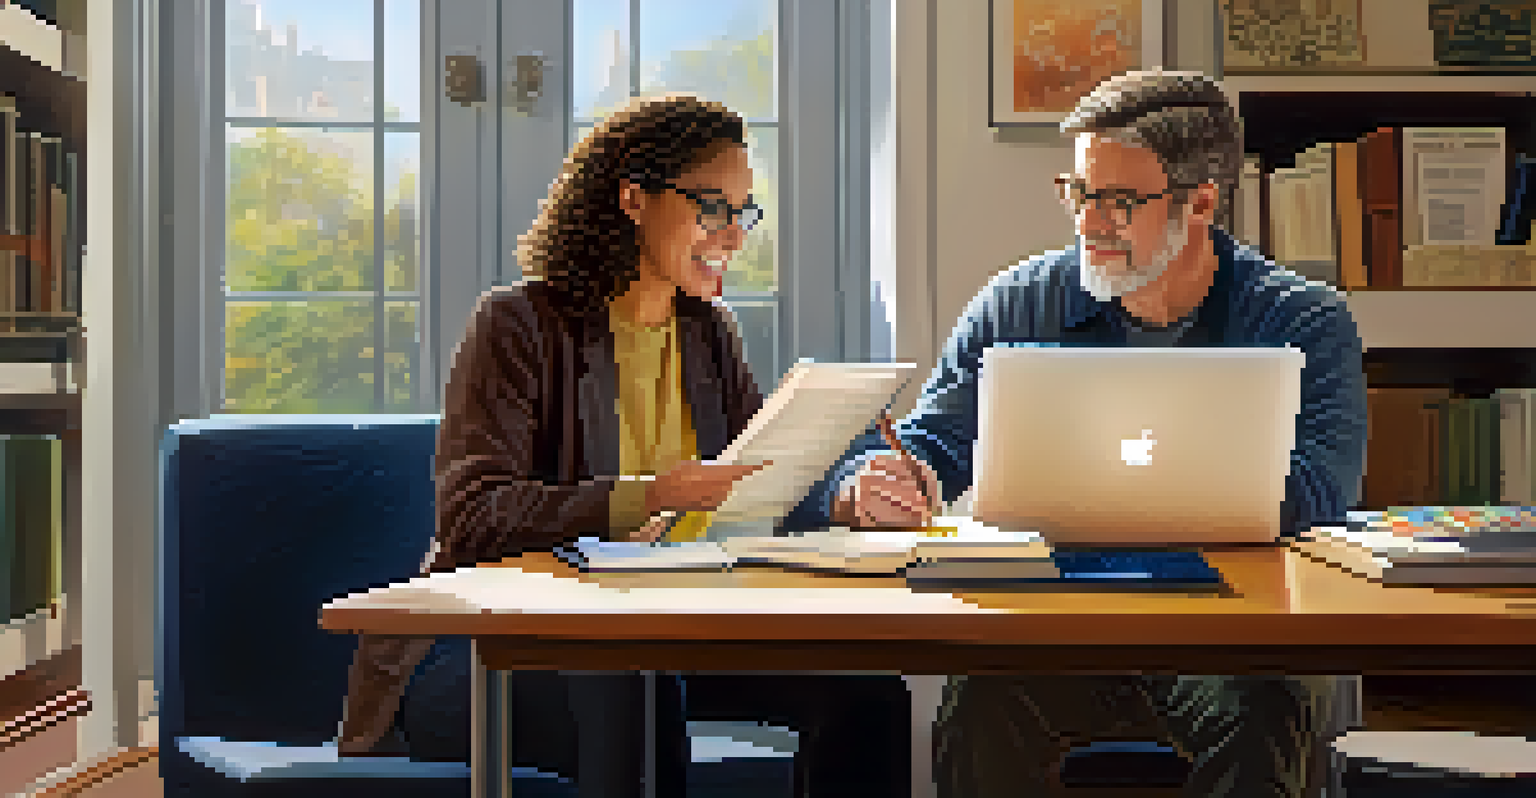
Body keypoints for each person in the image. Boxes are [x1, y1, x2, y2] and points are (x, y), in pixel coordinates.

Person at [780, 70, 1367, 797]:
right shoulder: (1023, 301)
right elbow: (930, 441)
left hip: (1231, 633)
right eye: (1080, 193)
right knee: (975, 707)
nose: (1089, 223)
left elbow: (1320, 494)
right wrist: (869, 485)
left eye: (1119, 202)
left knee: (1260, 714)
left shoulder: (1303, 321)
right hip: (1054, 627)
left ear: (1202, 202)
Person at [336, 93, 911, 798]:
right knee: (634, 681)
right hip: (494, 645)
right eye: (712, 208)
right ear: (633, 198)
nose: (733, 236)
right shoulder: (516, 324)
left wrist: (849, 495)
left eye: (742, 212)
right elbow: (475, 514)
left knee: (865, 693)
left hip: (664, 635)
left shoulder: (709, 334)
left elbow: (762, 481)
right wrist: (647, 496)